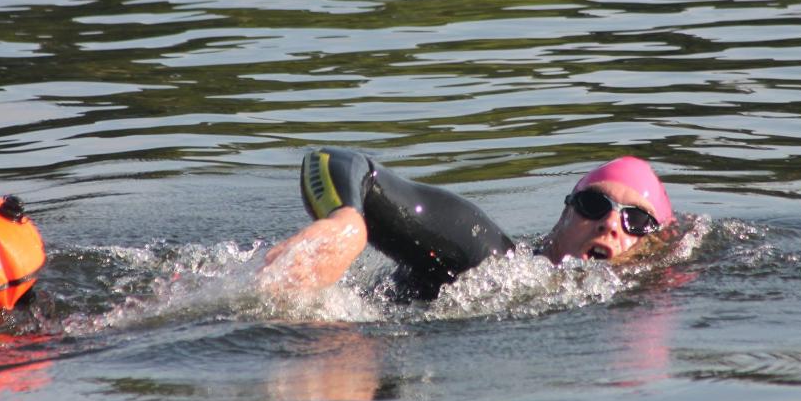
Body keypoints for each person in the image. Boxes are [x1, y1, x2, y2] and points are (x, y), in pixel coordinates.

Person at [260, 147, 675, 299]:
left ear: (658, 249)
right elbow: (333, 162)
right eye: (592, 203)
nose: (609, 224)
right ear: (563, 218)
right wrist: (345, 223)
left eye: (637, 221)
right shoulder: (486, 259)